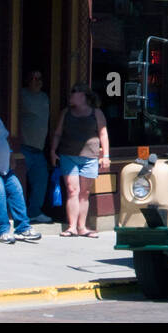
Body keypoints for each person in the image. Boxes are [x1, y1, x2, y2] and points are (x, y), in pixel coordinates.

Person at [50, 83, 109, 238]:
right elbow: (58, 133)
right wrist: (52, 151)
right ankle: (71, 227)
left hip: (90, 157)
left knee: (85, 192)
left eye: (73, 93)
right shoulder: (66, 113)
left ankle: (82, 227)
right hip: (68, 155)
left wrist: (106, 156)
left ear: (83, 96)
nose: (70, 96)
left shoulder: (96, 113)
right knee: (72, 190)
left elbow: (103, 134)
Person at [0, 104, 42, 244]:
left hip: (4, 165)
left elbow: (4, 137)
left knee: (16, 189)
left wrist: (10, 154)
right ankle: (2, 231)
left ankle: (23, 228)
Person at [19, 69, 52, 222]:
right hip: (23, 146)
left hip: (39, 149)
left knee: (41, 180)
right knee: (18, 183)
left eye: (39, 78)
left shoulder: (45, 97)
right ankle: (19, 215)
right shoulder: (21, 95)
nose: (37, 81)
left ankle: (34, 212)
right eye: (33, 78)